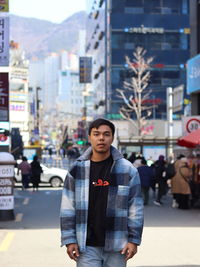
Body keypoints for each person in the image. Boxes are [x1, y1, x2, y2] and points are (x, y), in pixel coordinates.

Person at [60, 118, 144, 267]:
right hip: (85, 245)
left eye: (106, 134)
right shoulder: (76, 169)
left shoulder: (128, 170)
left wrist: (133, 240)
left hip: (118, 245)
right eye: (96, 134)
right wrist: (69, 239)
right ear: (90, 137)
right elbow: (68, 207)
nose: (101, 138)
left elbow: (135, 208)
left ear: (112, 137)